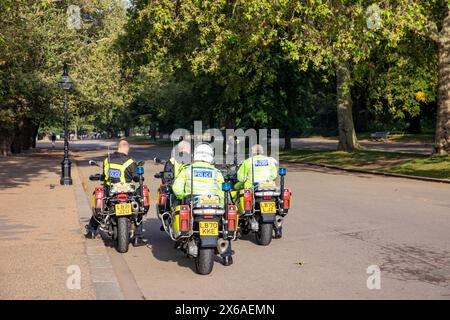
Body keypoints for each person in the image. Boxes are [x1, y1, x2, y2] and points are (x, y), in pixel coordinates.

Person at [172, 143, 233, 266]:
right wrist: (220, 202)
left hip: (193, 206)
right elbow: (223, 193)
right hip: (214, 207)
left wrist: (184, 196)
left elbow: (176, 188)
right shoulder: (216, 172)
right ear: (211, 156)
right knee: (224, 225)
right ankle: (226, 255)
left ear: (196, 155)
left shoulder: (187, 169)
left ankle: (182, 240)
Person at [85, 138, 146, 247]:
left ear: (118, 148)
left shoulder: (107, 160)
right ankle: (138, 237)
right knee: (138, 211)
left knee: (101, 209)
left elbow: (104, 175)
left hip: (110, 192)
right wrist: (137, 177)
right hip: (127, 193)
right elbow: (136, 177)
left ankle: (91, 231)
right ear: (126, 149)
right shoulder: (130, 161)